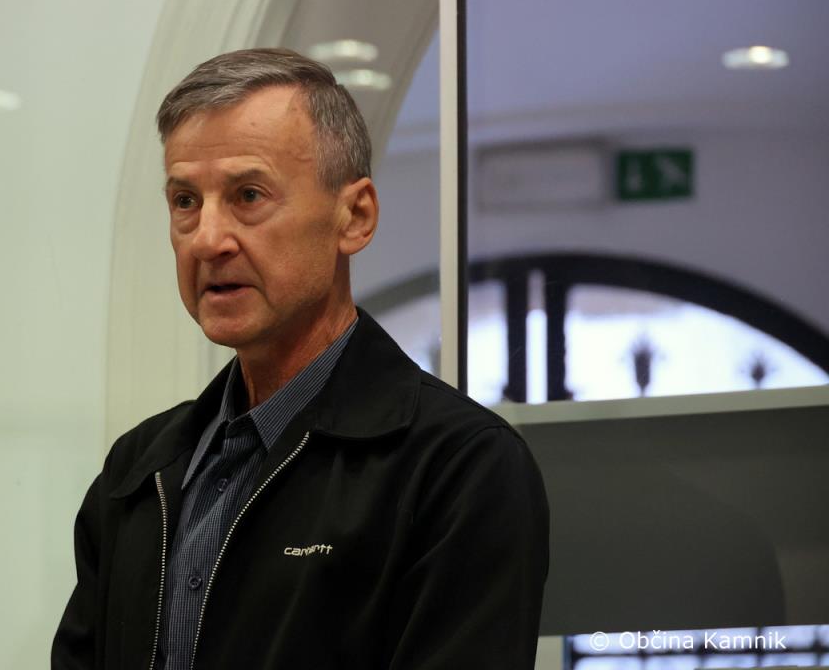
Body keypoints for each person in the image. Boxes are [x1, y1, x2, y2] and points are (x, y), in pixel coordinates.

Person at [52, 48, 549, 669]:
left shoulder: (457, 468)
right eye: (185, 201)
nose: (207, 239)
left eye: (248, 195)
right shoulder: (138, 470)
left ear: (355, 216)